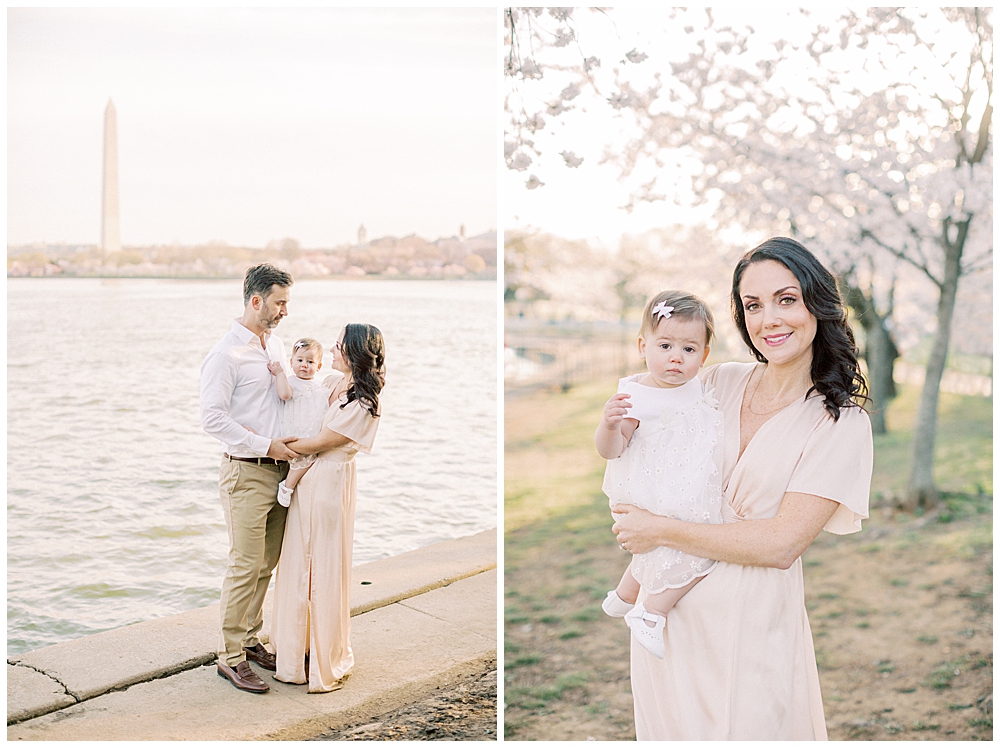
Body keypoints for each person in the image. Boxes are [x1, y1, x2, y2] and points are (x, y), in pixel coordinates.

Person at [612, 237, 873, 740]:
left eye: (786, 299)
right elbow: (646, 438)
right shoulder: (717, 382)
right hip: (669, 617)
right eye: (753, 305)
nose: (769, 319)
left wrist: (658, 528)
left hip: (752, 623)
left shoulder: (840, 422)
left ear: (817, 304)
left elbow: (781, 544)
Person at [595, 290, 724, 659]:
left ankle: (624, 595)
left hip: (689, 481)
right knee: (696, 552)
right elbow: (613, 449)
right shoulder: (636, 395)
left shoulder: (699, 387)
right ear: (642, 346)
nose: (675, 358)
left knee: (666, 546)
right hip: (655, 485)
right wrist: (608, 425)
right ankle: (651, 613)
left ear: (704, 356)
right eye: (665, 345)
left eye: (688, 349)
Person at [270, 323, 385, 693]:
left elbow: (324, 440)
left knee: (322, 566)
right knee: (301, 564)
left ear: (353, 353)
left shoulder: (364, 400)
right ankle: (296, 650)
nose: (332, 352)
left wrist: (278, 447)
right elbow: (298, 398)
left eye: (338, 347)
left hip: (330, 481)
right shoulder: (333, 383)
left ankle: (320, 658)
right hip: (313, 479)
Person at [200, 263, 298, 695]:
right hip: (246, 471)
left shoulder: (274, 346)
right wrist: (266, 446)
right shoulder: (225, 354)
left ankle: (251, 638)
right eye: (279, 303)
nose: (284, 312)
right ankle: (231, 656)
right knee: (244, 565)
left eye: (287, 304)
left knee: (266, 564)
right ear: (256, 301)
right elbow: (212, 418)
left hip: (281, 472)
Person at [266, 338, 338, 508]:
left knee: (313, 455)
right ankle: (288, 485)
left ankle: (292, 485)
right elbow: (284, 394)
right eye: (300, 360)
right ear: (291, 362)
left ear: (319, 367)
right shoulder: (290, 381)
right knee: (302, 456)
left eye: (310, 361)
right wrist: (279, 374)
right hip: (297, 427)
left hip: (313, 429)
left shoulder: (319, 384)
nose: (304, 365)